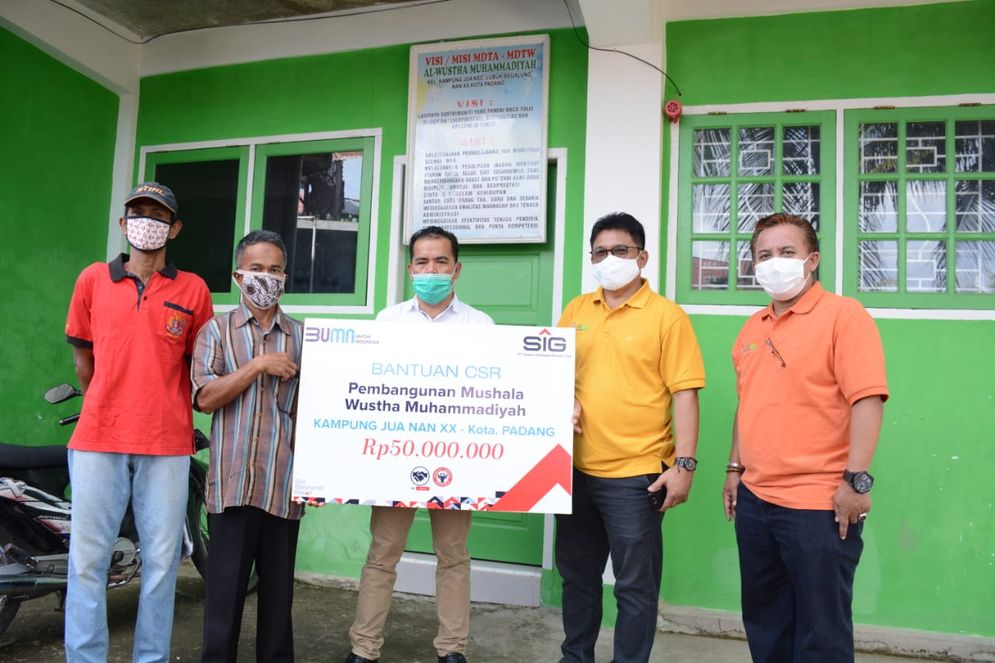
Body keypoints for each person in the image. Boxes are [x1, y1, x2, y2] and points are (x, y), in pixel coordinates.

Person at [723, 213, 888, 663]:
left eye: (787, 252)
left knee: (821, 632)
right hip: (756, 503)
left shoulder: (843, 316)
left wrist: (856, 481)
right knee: (766, 622)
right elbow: (748, 402)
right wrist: (734, 469)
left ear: (811, 260)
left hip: (819, 507)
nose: (775, 262)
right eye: (764, 255)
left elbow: (867, 399)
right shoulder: (752, 328)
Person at [63, 182, 214, 663]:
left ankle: (151, 658)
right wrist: (106, 405)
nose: (147, 220)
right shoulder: (92, 280)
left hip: (167, 443)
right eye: (138, 212)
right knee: (87, 562)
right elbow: (84, 362)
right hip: (97, 440)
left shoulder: (193, 289)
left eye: (158, 214)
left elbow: (198, 367)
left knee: (163, 563)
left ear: (175, 227)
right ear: (123, 223)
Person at [556, 212, 705, 663]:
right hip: (574, 471)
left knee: (634, 587)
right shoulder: (577, 309)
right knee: (577, 579)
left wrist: (684, 465)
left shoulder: (667, 317)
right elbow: (552, 373)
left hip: (637, 477)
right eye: (599, 252)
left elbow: (685, 394)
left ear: (642, 256)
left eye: (619, 250)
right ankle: (575, 657)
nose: (609, 259)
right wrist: (564, 399)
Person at [345, 226, 492, 663]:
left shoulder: (480, 326)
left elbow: (495, 397)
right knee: (382, 554)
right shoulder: (387, 322)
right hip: (395, 460)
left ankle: (452, 650)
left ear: (457, 269)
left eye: (441, 262)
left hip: (456, 461)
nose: (432, 270)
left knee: (453, 557)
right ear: (410, 268)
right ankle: (363, 648)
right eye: (422, 262)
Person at [191, 230, 304, 662]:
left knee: (279, 601)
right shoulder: (215, 331)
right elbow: (204, 398)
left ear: (285, 277)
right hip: (232, 484)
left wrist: (318, 477)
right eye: (257, 269)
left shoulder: (301, 337)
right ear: (239, 275)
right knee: (223, 598)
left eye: (275, 270)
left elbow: (311, 414)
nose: (266, 277)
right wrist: (258, 364)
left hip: (282, 483)